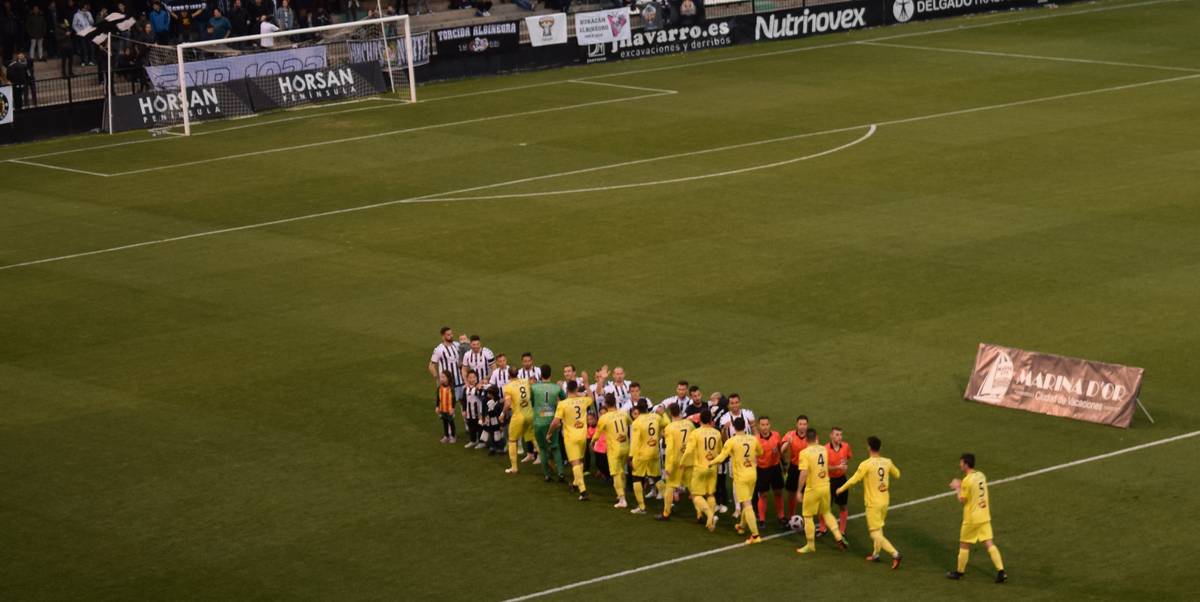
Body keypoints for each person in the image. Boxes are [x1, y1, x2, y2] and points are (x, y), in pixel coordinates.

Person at [836, 435, 901, 569]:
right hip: (885, 501)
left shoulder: (866, 464)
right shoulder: (887, 462)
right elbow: (897, 474)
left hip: (873, 504)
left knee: (874, 533)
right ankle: (876, 554)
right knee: (879, 528)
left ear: (869, 448)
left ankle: (895, 554)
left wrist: (840, 489)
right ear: (880, 448)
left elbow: (854, 479)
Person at [947, 453, 1006, 583]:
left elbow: (962, 499)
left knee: (964, 545)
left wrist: (957, 487)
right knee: (989, 544)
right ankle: (1001, 571)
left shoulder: (967, 481)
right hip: (984, 515)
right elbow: (971, 485)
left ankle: (959, 572)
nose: (960, 464)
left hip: (972, 519)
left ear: (966, 464)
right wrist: (962, 483)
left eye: (961, 462)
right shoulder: (981, 475)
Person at [705, 417, 763, 543]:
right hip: (753, 474)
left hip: (741, 477)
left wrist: (711, 462)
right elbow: (760, 452)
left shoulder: (731, 441)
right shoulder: (753, 439)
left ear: (734, 428)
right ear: (745, 426)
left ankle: (755, 536)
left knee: (747, 504)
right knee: (746, 501)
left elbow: (721, 457)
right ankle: (741, 526)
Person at [794, 428, 848, 554]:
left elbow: (804, 473)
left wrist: (798, 491)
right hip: (825, 486)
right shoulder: (823, 449)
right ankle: (838, 536)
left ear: (806, 439)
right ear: (816, 437)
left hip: (813, 488)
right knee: (826, 512)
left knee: (807, 516)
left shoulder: (805, 453)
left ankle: (810, 545)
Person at [547, 376, 593, 501]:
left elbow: (555, 422)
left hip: (570, 437)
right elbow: (592, 398)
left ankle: (583, 491)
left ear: (566, 389)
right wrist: (587, 384)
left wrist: (549, 433)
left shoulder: (563, 404)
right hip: (583, 436)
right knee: (580, 461)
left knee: (575, 463)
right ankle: (574, 483)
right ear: (577, 389)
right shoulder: (583, 401)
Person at [681, 407, 721, 531]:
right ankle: (711, 522)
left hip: (700, 468)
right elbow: (719, 451)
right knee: (710, 494)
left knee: (696, 494)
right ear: (710, 420)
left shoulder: (696, 433)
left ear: (699, 420)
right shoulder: (717, 433)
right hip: (713, 467)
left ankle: (710, 515)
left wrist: (682, 462)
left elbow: (689, 450)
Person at [592, 393, 631, 508]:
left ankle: (622, 499)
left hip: (614, 449)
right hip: (626, 447)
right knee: (621, 471)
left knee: (615, 473)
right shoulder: (624, 413)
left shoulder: (604, 418)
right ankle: (621, 493)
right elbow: (631, 423)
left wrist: (591, 442)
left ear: (605, 404)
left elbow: (597, 434)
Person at [657, 402, 695, 521]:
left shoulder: (669, 428)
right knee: (692, 488)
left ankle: (666, 513)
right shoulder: (689, 424)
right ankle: (699, 514)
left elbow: (669, 449)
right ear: (680, 411)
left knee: (670, 486)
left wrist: (668, 467)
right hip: (689, 460)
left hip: (676, 462)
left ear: (670, 413)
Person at [628, 398, 667, 515]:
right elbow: (666, 424)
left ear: (638, 409)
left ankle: (641, 507)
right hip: (654, 452)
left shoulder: (636, 422)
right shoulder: (656, 417)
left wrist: (630, 457)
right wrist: (663, 413)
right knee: (656, 478)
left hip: (641, 454)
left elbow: (634, 442)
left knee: (636, 479)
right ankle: (669, 501)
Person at [531, 365, 566, 483]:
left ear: (541, 374)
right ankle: (561, 473)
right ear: (550, 374)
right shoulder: (556, 388)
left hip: (538, 422)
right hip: (553, 421)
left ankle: (547, 475)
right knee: (555, 448)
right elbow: (564, 400)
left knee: (542, 448)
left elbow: (532, 402)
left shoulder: (534, 387)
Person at [754, 416, 786, 530]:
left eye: (767, 424)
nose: (765, 427)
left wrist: (784, 463)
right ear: (759, 426)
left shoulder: (776, 435)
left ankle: (781, 517)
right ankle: (762, 520)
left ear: (770, 425)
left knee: (778, 493)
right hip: (762, 470)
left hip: (775, 468)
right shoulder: (756, 439)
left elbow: (780, 450)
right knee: (763, 495)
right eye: (762, 425)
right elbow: (753, 457)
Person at [501, 367, 533, 475]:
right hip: (529, 413)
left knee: (512, 441)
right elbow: (533, 384)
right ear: (518, 373)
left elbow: (508, 404)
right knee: (533, 438)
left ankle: (514, 467)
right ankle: (544, 459)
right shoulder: (525, 381)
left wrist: (502, 414)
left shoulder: (507, 387)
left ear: (508, 375)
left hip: (518, 416)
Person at [823, 426, 853, 536]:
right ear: (831, 435)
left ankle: (842, 530)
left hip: (842, 480)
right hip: (829, 480)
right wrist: (837, 467)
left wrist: (842, 467)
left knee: (843, 505)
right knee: (825, 506)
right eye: (837, 435)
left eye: (840, 435)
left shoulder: (846, 446)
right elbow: (823, 467)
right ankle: (822, 529)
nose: (839, 437)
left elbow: (848, 457)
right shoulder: (825, 449)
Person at [780, 414, 809, 523]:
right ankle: (791, 515)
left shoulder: (811, 436)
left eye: (804, 424)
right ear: (797, 425)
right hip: (794, 467)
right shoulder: (790, 434)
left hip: (806, 469)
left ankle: (806, 516)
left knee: (806, 494)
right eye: (800, 424)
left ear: (807, 425)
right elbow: (782, 450)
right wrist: (788, 442)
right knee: (791, 493)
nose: (802, 426)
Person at [428, 327, 464, 405]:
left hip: (461, 380)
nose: (451, 336)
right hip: (449, 383)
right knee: (448, 405)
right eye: (448, 335)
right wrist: (438, 378)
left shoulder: (457, 345)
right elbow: (431, 365)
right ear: (443, 336)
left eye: (451, 334)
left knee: (464, 403)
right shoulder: (439, 349)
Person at [462, 370, 486, 449]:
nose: (472, 379)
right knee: (471, 427)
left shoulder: (479, 388)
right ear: (467, 379)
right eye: (470, 377)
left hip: (478, 412)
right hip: (469, 412)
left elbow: (483, 398)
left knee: (479, 427)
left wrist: (479, 388)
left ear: (476, 378)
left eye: (473, 377)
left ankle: (482, 442)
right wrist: (464, 410)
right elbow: (464, 400)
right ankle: (473, 440)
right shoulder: (465, 389)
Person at [435, 370, 456, 443]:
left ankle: (453, 436)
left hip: (449, 409)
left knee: (451, 422)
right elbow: (438, 398)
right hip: (442, 409)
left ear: (448, 378)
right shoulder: (439, 388)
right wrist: (437, 406)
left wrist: (453, 408)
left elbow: (453, 399)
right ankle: (446, 436)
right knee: (445, 423)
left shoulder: (451, 388)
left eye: (443, 377)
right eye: (441, 377)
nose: (441, 379)